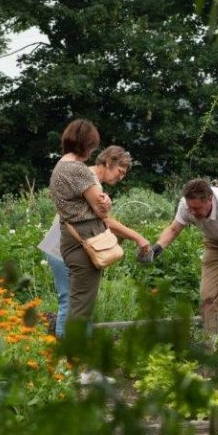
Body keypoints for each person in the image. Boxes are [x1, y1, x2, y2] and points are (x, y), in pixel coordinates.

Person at [49, 120, 150, 340]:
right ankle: (73, 362)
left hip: (69, 240)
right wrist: (107, 204)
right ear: (86, 144)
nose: (92, 151)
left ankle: (70, 358)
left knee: (76, 302)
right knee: (79, 305)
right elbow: (102, 211)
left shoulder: (61, 166)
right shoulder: (79, 170)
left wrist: (103, 203)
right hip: (81, 241)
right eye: (92, 146)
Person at [38, 145, 135, 338]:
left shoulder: (90, 179)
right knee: (72, 301)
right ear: (108, 162)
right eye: (119, 171)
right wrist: (138, 238)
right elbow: (105, 220)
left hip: (63, 244)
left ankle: (80, 354)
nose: (120, 177)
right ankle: (67, 357)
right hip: (62, 246)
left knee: (81, 301)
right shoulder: (89, 179)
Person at [145, 179, 218, 336]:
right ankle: (213, 346)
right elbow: (174, 229)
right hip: (215, 245)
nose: (192, 212)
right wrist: (157, 248)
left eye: (196, 208)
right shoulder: (186, 205)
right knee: (208, 295)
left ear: (209, 200)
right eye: (190, 208)